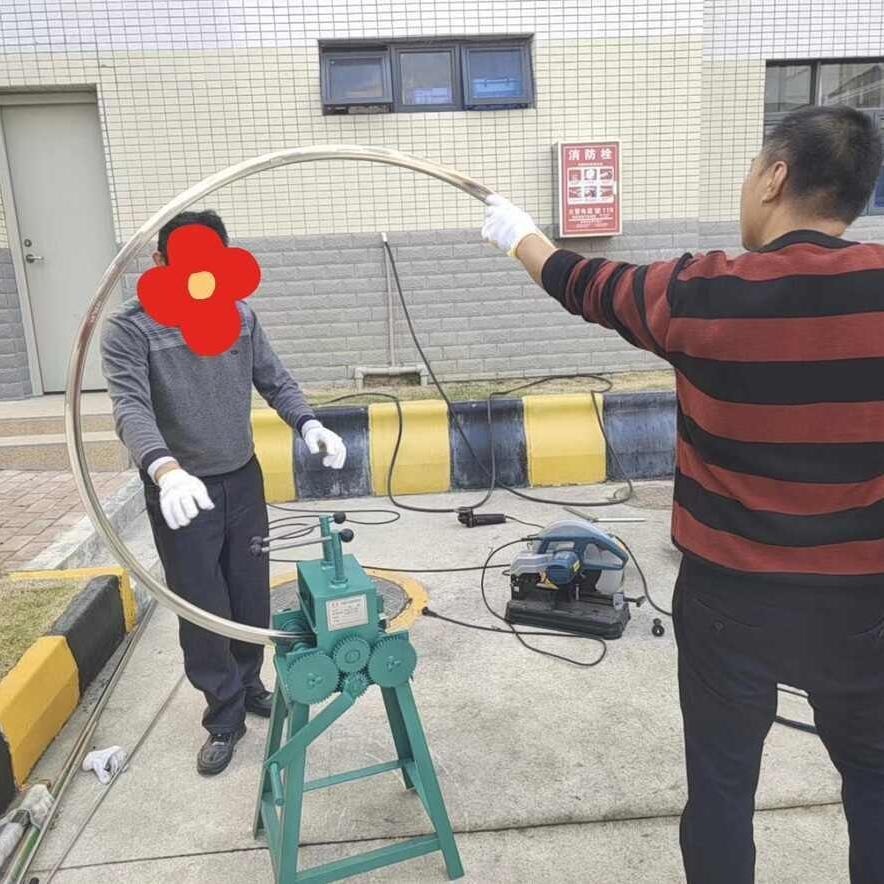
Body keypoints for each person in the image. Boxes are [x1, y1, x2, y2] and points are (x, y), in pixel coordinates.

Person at [482, 105, 884, 884]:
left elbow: (583, 283)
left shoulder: (705, 292)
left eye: (751, 169)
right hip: (864, 605)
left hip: (730, 600)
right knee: (875, 781)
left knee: (723, 790)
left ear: (775, 178)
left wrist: (519, 234)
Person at [102, 209, 347, 775]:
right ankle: (223, 714)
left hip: (241, 476)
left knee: (248, 589)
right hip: (182, 488)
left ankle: (251, 682)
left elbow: (274, 379)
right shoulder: (131, 329)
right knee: (202, 603)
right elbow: (130, 407)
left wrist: (308, 422)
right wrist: (164, 469)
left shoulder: (238, 314)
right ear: (159, 261)